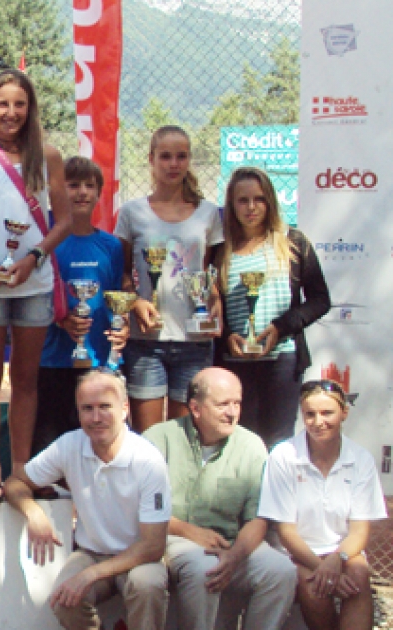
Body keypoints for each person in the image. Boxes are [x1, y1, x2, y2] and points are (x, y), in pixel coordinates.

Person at [0, 68, 71, 504]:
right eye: (3, 104)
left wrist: (33, 258)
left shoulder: (50, 157)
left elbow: (62, 221)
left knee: (25, 381)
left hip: (33, 284)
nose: (11, 113)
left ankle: (20, 469)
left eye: (19, 104)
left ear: (31, 109)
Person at [6, 370, 170, 630]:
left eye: (105, 407)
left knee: (147, 585)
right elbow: (15, 483)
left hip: (138, 556)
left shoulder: (148, 460)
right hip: (91, 553)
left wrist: (90, 575)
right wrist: (34, 513)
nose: (96, 418)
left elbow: (153, 546)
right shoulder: (70, 445)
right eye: (87, 409)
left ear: (125, 408)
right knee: (64, 598)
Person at [143, 367, 296, 630]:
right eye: (223, 404)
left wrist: (235, 556)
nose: (233, 412)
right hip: (171, 537)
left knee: (281, 571)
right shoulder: (158, 439)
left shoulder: (251, 445)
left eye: (237, 403)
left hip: (231, 544)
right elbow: (138, 507)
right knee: (205, 569)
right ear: (195, 407)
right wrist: (189, 530)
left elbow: (258, 517)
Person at [114, 125, 224, 432]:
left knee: (184, 437)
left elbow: (211, 274)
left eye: (181, 156)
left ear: (189, 160)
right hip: (146, 340)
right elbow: (121, 272)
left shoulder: (208, 213)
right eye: (165, 156)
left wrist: (215, 305)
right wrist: (135, 301)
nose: (173, 164)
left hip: (194, 340)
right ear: (151, 159)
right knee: (147, 438)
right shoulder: (132, 212)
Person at [215, 166, 330, 448]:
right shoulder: (221, 249)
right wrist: (227, 335)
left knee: (279, 442)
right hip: (235, 364)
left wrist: (281, 328)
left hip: (283, 360)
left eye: (259, 199)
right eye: (242, 200)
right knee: (243, 443)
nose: (251, 207)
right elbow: (211, 307)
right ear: (231, 204)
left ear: (270, 201)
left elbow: (320, 300)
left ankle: (278, 492)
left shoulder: (293, 242)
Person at [258, 380, 387, 630]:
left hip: (343, 552)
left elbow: (359, 531)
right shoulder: (283, 456)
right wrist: (323, 568)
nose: (318, 422)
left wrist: (336, 560)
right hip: (296, 554)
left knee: (359, 576)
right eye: (310, 414)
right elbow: (286, 532)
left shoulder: (360, 459)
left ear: (344, 413)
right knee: (314, 585)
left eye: (327, 413)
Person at [33, 156, 127, 458]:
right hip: (54, 358)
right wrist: (61, 320)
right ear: (57, 192)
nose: (82, 193)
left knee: (97, 443)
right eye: (73, 186)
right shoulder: (45, 242)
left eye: (90, 186)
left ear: (100, 193)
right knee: (51, 441)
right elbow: (34, 296)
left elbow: (116, 298)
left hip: (99, 360)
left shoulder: (111, 246)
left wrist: (121, 327)